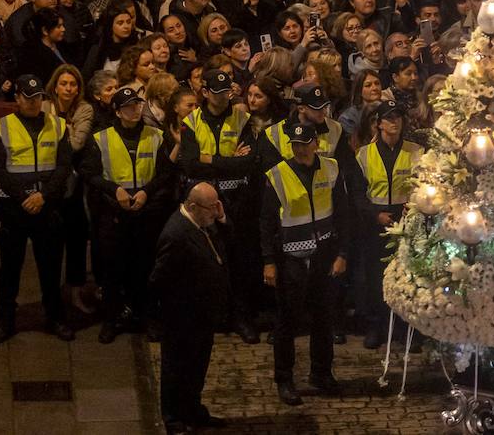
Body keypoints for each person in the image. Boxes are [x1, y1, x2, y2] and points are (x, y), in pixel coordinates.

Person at [261, 118, 350, 406]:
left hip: (324, 256)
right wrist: (268, 261)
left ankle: (321, 374)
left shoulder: (331, 169)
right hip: (291, 259)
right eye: (295, 144)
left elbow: (343, 215)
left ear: (316, 144)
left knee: (324, 319)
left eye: (305, 143)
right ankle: (284, 379)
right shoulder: (277, 175)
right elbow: (265, 223)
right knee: (287, 322)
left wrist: (342, 254)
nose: (300, 149)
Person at [81, 85, 174, 342]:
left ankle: (146, 317)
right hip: (114, 214)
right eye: (128, 107)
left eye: (138, 105)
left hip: (146, 212)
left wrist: (146, 191)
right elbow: (90, 173)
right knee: (113, 270)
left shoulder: (156, 135)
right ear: (117, 111)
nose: (135, 110)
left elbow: (165, 172)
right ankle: (111, 320)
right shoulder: (101, 138)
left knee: (145, 268)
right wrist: (115, 190)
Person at [0, 75, 74, 343]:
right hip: (14, 207)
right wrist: (26, 196)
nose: (34, 102)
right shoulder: (0, 127)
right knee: (10, 268)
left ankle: (55, 317)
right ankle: (5, 320)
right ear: (17, 98)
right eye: (28, 97)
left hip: (47, 206)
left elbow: (63, 167)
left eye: (38, 98)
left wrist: (43, 196)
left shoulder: (58, 126)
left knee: (50, 266)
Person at [179, 67, 261, 343]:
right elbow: (189, 162)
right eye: (217, 93)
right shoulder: (191, 121)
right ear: (205, 93)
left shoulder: (242, 119)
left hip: (236, 200)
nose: (224, 98)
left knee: (240, 260)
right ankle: (212, 315)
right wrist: (227, 161)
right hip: (203, 205)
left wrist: (209, 160)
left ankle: (241, 316)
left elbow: (248, 162)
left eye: (227, 92)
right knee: (207, 261)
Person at [150, 182, 229, 434]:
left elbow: (225, 246)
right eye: (211, 208)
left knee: (197, 366)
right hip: (182, 316)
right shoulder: (176, 235)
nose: (215, 213)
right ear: (192, 206)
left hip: (202, 314)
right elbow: (158, 280)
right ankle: (173, 417)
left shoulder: (201, 223)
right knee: (176, 367)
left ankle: (193, 410)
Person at [349, 102, 422, 348]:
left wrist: (414, 205)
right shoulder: (364, 154)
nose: (395, 122)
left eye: (398, 117)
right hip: (375, 223)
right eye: (389, 118)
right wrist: (375, 214)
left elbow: (424, 186)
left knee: (407, 274)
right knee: (374, 276)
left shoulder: (415, 151)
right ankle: (376, 326)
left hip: (406, 219)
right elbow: (358, 195)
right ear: (378, 123)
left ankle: (404, 327)